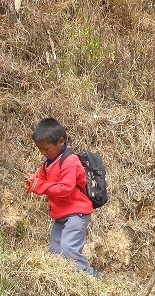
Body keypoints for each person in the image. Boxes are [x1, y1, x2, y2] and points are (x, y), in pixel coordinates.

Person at [26, 118, 100, 278]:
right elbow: (42, 179)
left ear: (61, 142)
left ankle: (87, 277)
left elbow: (65, 189)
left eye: (46, 149)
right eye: (41, 150)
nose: (44, 153)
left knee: (68, 249)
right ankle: (62, 278)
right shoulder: (49, 162)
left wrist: (38, 186)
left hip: (77, 213)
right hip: (61, 214)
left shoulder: (70, 162)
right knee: (55, 250)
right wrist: (33, 180)